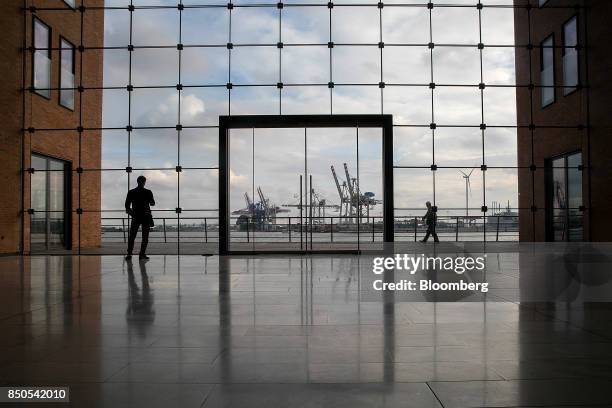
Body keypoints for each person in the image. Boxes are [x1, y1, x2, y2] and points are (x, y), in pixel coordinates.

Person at [125, 175, 155, 260]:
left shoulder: (131, 192)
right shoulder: (148, 192)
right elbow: (152, 203)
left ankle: (129, 254)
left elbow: (127, 206)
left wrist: (133, 214)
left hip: (136, 216)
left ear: (137, 182)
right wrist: (149, 200)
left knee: (132, 236)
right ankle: (142, 254)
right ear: (144, 182)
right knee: (145, 237)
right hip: (146, 216)